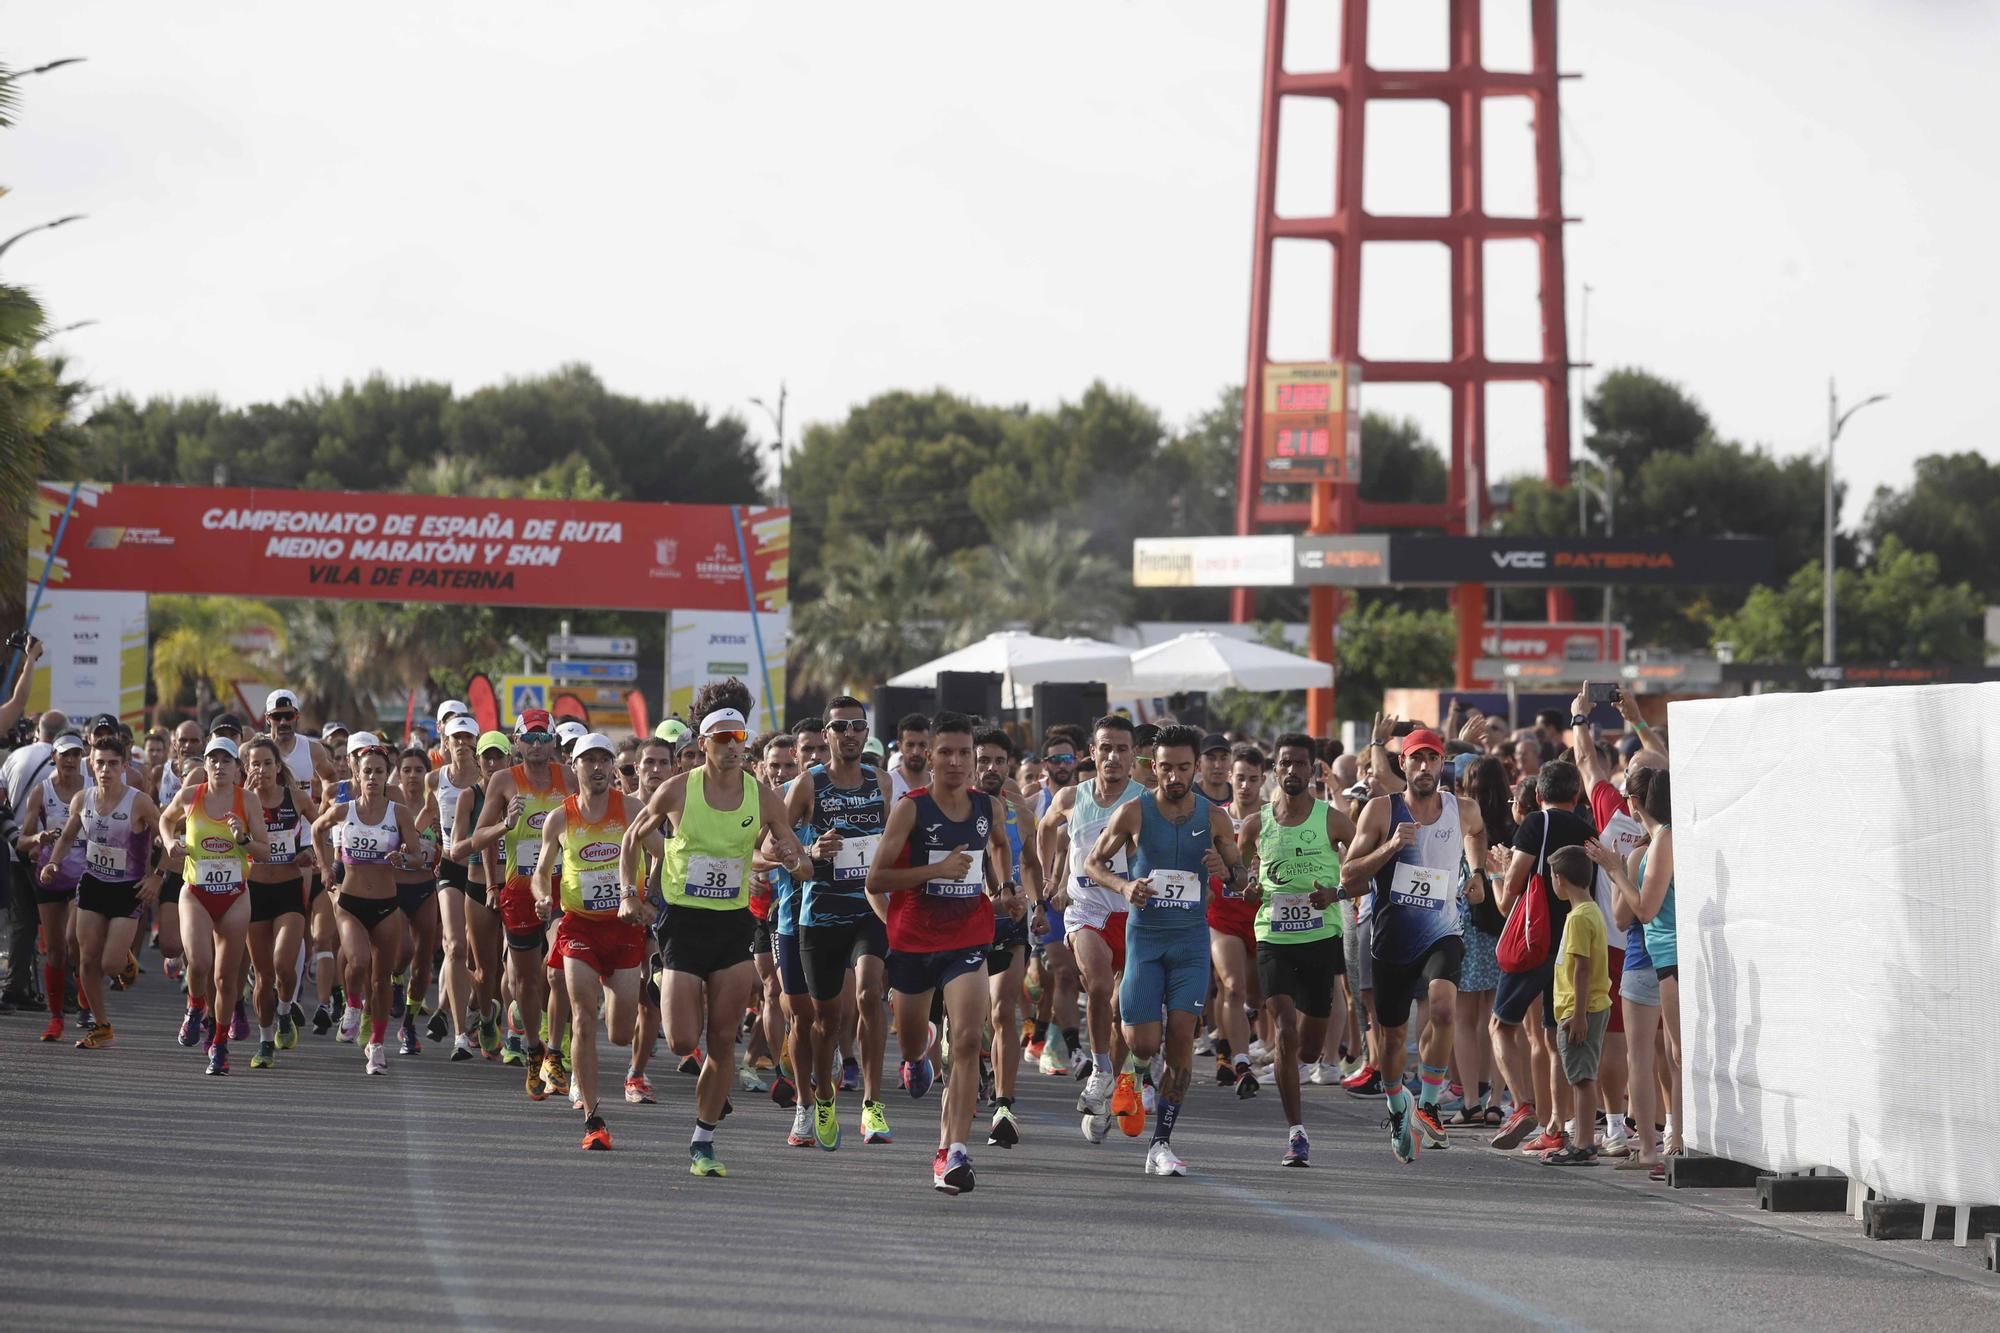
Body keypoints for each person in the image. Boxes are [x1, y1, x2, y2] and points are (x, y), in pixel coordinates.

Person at [623, 679, 811, 1178]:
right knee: (685, 1042)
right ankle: (664, 975)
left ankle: (703, 1139)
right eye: (721, 739)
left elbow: (790, 846)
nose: (731, 747)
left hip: (732, 924)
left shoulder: (763, 795)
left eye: (738, 739)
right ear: (702, 744)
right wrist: (629, 894)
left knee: (723, 1039)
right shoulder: (677, 790)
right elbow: (630, 838)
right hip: (682, 923)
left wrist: (801, 860)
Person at [865, 711, 1023, 1194]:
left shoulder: (987, 807)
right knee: (913, 1042)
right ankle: (918, 1051)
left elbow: (997, 847)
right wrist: (934, 872)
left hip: (967, 938)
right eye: (946, 753)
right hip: (913, 940)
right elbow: (876, 879)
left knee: (970, 1040)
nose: (956, 762)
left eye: (964, 754)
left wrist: (1005, 886)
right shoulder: (911, 808)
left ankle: (952, 1152)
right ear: (929, 758)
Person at [1083, 723, 1244, 1177]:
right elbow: (1093, 863)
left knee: (1179, 1045)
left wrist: (1226, 870)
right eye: (1166, 768)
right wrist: (1124, 883)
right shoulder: (1133, 812)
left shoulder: (1214, 818)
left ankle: (1161, 1144)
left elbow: (1243, 878)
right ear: (1153, 767)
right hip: (1146, 941)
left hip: (1191, 944)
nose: (1175, 777)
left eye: (1184, 768)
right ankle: (1130, 1074)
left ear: (1197, 768)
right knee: (1143, 1041)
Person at [1340, 727, 1490, 1163]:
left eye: (1432, 759)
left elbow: (1477, 833)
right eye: (1416, 759)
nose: (1425, 767)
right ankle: (1396, 1106)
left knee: (1444, 1009)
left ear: (1443, 764)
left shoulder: (1462, 809)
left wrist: (1477, 873)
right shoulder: (1380, 810)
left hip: (1444, 930)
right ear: (1401, 765)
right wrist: (1391, 846)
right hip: (1393, 939)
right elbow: (1350, 875)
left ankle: (1427, 1103)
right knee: (1390, 1040)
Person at [531, 732, 662, 1151]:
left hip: (625, 931)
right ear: (576, 767)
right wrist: (541, 897)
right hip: (579, 927)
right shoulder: (560, 817)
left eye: (605, 760)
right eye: (590, 760)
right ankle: (593, 1118)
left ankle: (603, 1022)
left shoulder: (633, 810)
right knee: (582, 1015)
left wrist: (649, 897)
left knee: (620, 1033)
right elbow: (540, 871)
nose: (599, 767)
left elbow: (661, 853)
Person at [1237, 733, 1355, 1167]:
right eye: (1284, 763)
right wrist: (1247, 888)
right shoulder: (1256, 824)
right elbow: (1240, 877)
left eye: (1299, 764)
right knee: (1284, 1028)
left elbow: (1361, 871)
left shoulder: (1334, 821)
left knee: (1307, 1049)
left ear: (1313, 771)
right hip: (1274, 937)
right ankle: (1297, 1132)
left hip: (1321, 937)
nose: (1291, 771)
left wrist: (1337, 892)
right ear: (1275, 770)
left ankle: (1304, 1066)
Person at [787, 694, 895, 1150]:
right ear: (826, 735)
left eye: (857, 726)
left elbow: (897, 840)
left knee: (871, 994)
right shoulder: (809, 784)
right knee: (824, 1022)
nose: (849, 734)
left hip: (868, 910)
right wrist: (809, 851)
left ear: (866, 733)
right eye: (840, 727)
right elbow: (773, 840)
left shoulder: (882, 782)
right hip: (820, 915)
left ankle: (872, 1104)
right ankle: (820, 1097)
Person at [1038, 714, 1144, 1143]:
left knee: (1123, 1012)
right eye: (1106, 748)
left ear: (1134, 755)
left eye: (1122, 748)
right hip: (1086, 911)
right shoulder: (1071, 797)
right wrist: (1051, 877)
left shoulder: (1144, 800)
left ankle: (1111, 1084)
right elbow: (1045, 828)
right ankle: (1101, 1071)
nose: (1113, 756)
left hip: (1133, 914)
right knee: (1098, 986)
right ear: (1093, 753)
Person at [463, 708, 574, 1098]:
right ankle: (532, 1051)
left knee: (560, 972)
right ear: (517, 742)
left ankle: (557, 1052)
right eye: (530, 738)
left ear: (555, 741)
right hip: (518, 890)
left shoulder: (570, 778)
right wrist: (505, 825)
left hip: (565, 888)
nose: (538, 745)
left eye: (544, 738)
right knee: (524, 980)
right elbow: (476, 841)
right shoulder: (503, 780)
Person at [1487, 759, 1596, 1154]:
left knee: (1501, 1025)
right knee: (1554, 1037)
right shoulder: (1588, 830)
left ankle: (1520, 1105)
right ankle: (1555, 1126)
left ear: (1537, 795)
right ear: (1577, 794)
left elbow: (1509, 895)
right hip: (1573, 942)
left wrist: (1498, 869)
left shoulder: (1535, 824)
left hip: (1535, 942)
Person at [311, 732, 427, 1075]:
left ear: (386, 774)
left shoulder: (399, 813)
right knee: (358, 961)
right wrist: (324, 867)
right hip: (350, 902)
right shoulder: (344, 809)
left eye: (379, 771)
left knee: (382, 980)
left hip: (387, 906)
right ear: (357, 776)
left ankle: (376, 1045)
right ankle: (350, 1004)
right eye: (367, 771)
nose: (373, 777)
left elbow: (420, 857)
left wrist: (403, 857)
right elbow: (317, 829)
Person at [159, 735, 272, 1074]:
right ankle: (195, 1007)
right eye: (213, 760)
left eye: (226, 760)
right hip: (195, 892)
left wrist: (244, 838)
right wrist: (169, 843)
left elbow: (265, 851)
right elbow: (165, 820)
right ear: (205, 765)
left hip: (236, 895)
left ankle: (219, 1045)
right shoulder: (191, 796)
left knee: (225, 979)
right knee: (200, 960)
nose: (219, 766)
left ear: (238, 768)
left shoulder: (247, 801)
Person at [972, 726, 1044, 1149]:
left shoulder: (1019, 810)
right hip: (963, 918)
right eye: (984, 760)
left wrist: (1037, 908)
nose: (992, 768)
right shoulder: (954, 805)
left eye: (1000, 761)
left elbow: (1031, 863)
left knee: (1003, 1011)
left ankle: (1004, 1104)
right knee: (969, 1018)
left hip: (1010, 917)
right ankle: (965, 1059)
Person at [242, 735, 318, 1067]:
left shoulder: (296, 798)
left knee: (284, 964)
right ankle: (264, 1042)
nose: (262, 770)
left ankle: (285, 1011)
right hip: (255, 893)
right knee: (263, 976)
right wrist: (241, 795)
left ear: (278, 766)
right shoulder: (240, 802)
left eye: (267, 763)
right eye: (255, 764)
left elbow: (323, 828)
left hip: (288, 888)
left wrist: (312, 851)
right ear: (247, 768)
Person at [1451, 756, 1514, 1127]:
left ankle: (1470, 1100)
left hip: (1466, 926)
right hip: (1503, 925)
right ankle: (1495, 1100)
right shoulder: (1511, 826)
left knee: (1464, 1018)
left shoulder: (1461, 825)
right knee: (1496, 1018)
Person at [14, 731, 88, 1041]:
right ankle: (56, 1019)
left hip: (84, 879)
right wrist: (38, 839)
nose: (70, 760)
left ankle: (86, 1004)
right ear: (53, 757)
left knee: (76, 942)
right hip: (49, 876)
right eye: (64, 754)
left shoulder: (92, 790)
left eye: (75, 754)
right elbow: (21, 841)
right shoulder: (41, 793)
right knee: (56, 952)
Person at [1541, 844, 1611, 1164]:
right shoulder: (1590, 911)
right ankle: (1583, 1141)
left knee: (1582, 1078)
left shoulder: (1578, 918)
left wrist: (1579, 1014)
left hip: (1581, 1008)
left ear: (1560, 878)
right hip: (1587, 1006)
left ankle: (1583, 1143)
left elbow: (1582, 969)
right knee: (1582, 1075)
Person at [1206, 737, 1262, 1094]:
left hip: (1262, 916)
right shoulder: (1216, 817)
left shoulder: (1274, 819)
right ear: (1230, 776)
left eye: (1252, 778)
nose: (1245, 785)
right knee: (1232, 986)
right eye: (1239, 777)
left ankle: (1233, 1042)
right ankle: (1239, 1061)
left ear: (1262, 780)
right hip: (1222, 916)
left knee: (1257, 996)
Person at [2, 705, 67, 1012]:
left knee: (22, 923)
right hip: (48, 854)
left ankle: (14, 987)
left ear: (40, 730)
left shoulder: (15, 757)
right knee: (60, 926)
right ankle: (66, 994)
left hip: (15, 848)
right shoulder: (66, 762)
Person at [429, 715, 487, 1059]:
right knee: (454, 946)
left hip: (483, 871)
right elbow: (427, 815)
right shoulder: (435, 778)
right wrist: (417, 843)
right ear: (445, 742)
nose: (462, 742)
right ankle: (460, 1034)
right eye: (456, 737)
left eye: (468, 737)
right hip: (451, 868)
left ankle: (476, 1009)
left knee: (483, 959)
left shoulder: (489, 779)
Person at [391, 746, 444, 1055]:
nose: (412, 775)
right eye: (406, 770)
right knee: (405, 950)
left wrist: (440, 836)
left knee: (424, 963)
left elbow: (447, 847)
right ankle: (394, 976)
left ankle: (409, 1026)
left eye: (419, 770)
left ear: (428, 775)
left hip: (426, 887)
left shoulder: (437, 806)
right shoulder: (390, 804)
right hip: (395, 887)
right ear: (398, 774)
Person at [886, 712, 930, 800]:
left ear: (930, 746)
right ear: (900, 746)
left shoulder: (940, 785)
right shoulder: (886, 784)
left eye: (922, 745)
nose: (916, 752)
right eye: (910, 745)